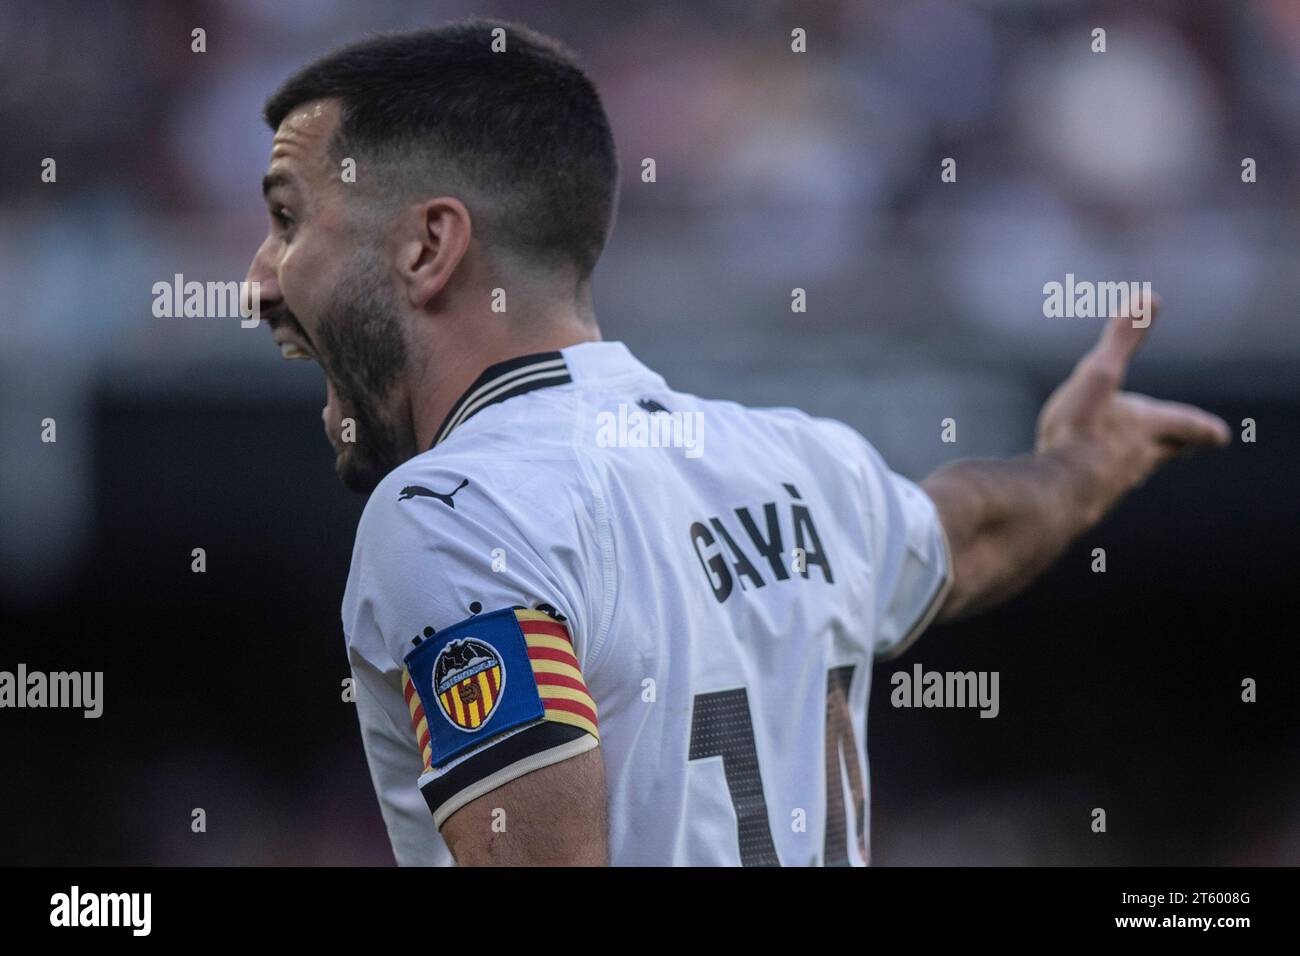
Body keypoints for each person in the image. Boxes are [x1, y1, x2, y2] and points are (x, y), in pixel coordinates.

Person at [245, 21, 1229, 865]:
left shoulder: (455, 514)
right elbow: (965, 532)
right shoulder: (802, 460)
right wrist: (1082, 464)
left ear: (428, 247)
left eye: (288, 220)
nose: (260, 281)